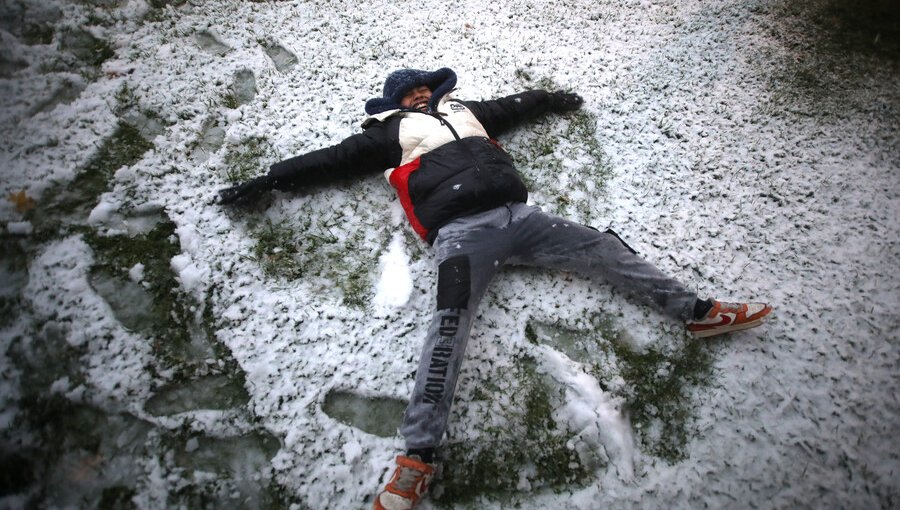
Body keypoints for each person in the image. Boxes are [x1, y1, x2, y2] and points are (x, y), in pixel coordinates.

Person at [218, 67, 773, 510]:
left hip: (523, 218)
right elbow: (330, 162)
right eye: (407, 93)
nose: (417, 96)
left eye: (421, 88)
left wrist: (551, 97)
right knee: (449, 330)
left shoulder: (464, 111)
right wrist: (269, 180)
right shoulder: (388, 134)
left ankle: (697, 312)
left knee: (605, 250)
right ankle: (417, 457)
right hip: (462, 237)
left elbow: (514, 107)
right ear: (396, 103)